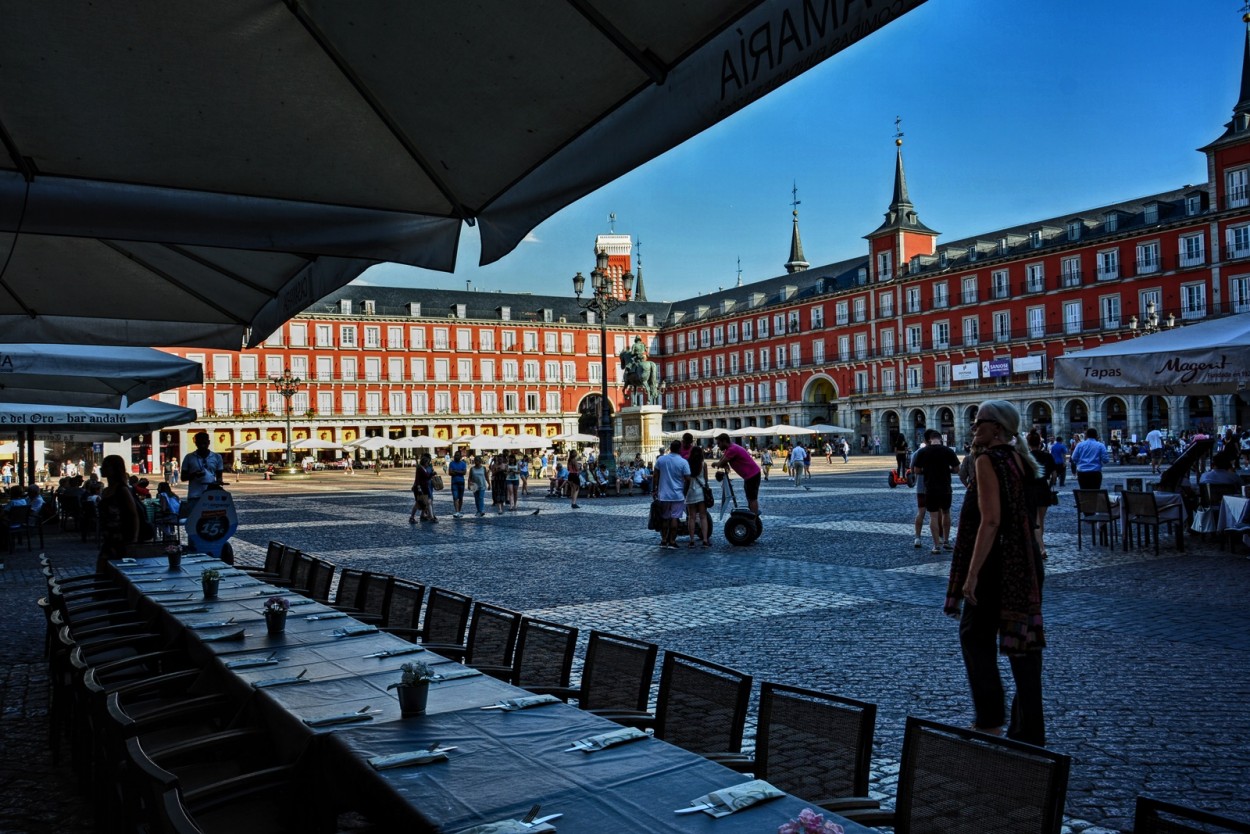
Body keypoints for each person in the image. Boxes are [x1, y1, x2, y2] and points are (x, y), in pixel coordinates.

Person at [945, 399, 1046, 746]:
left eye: (979, 422)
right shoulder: (1021, 460)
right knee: (1024, 643)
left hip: (995, 561)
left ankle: (989, 720)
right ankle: (1029, 728)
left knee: (974, 636)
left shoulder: (989, 460)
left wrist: (970, 576)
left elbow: (990, 520)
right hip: (1025, 559)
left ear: (998, 428)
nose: (974, 427)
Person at [911, 428, 960, 553]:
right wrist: (947, 470)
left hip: (930, 488)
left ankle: (936, 546)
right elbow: (956, 469)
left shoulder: (923, 452)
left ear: (929, 440)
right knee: (946, 513)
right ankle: (947, 541)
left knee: (933, 516)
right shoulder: (948, 451)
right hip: (945, 487)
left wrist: (926, 471)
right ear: (940, 439)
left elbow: (916, 470)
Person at [97, 454, 140, 571]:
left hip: (121, 539)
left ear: (115, 469)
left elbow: (133, 514)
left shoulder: (122, 490)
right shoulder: (106, 490)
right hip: (108, 538)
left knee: (115, 571)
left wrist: (133, 540)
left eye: (106, 466)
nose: (102, 468)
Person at [1026, 431, 1059, 560]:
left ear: (1028, 443)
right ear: (1040, 443)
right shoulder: (1048, 456)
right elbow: (1054, 475)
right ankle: (1039, 546)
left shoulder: (1026, 457)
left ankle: (1041, 548)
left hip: (1031, 490)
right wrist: (1050, 485)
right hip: (1044, 489)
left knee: (1035, 521)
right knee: (1041, 520)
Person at [653, 440, 691, 549]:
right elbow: (688, 479)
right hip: (678, 494)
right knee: (675, 518)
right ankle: (672, 541)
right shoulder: (683, 462)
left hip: (664, 494)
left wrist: (654, 489)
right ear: (680, 449)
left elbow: (655, 476)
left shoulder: (661, 459)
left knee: (665, 518)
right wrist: (685, 491)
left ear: (670, 448)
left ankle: (664, 540)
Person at [714, 433, 762, 516]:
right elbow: (723, 460)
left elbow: (720, 463)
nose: (718, 446)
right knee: (750, 498)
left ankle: (754, 519)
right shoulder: (730, 448)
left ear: (724, 441)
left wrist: (715, 464)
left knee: (752, 498)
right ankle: (753, 517)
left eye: (719, 443)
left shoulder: (732, 449)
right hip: (750, 476)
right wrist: (723, 464)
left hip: (752, 475)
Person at [180, 431, 224, 504]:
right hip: (194, 496)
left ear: (209, 442)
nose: (202, 446)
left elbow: (219, 476)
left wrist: (219, 482)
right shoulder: (189, 457)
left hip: (211, 496)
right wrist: (194, 475)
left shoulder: (217, 457)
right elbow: (183, 477)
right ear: (196, 443)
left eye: (204, 443)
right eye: (200, 443)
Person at [684, 445, 712, 548]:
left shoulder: (688, 464)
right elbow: (706, 479)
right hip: (701, 492)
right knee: (703, 516)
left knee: (691, 517)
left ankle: (691, 540)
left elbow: (685, 479)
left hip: (691, 491)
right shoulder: (703, 464)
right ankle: (705, 540)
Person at [911, 438, 929, 549]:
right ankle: (940, 539)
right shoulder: (940, 451)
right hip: (935, 487)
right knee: (938, 513)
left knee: (921, 512)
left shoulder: (917, 453)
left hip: (921, 487)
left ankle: (917, 537)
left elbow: (912, 469)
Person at [409, 453, 437, 524]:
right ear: (424, 462)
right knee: (418, 503)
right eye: (427, 462)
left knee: (427, 502)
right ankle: (412, 517)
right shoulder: (419, 468)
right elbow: (417, 479)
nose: (428, 464)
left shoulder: (424, 468)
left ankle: (431, 517)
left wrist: (432, 474)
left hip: (425, 487)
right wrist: (418, 488)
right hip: (420, 488)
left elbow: (427, 477)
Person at [447, 450, 468, 518]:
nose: (456, 456)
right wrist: (460, 472)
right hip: (454, 482)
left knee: (461, 498)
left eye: (458, 455)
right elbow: (450, 473)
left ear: (460, 456)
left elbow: (464, 472)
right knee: (455, 497)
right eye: (455, 455)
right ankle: (457, 511)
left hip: (461, 482)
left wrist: (455, 471)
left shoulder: (463, 463)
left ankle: (459, 511)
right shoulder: (451, 463)